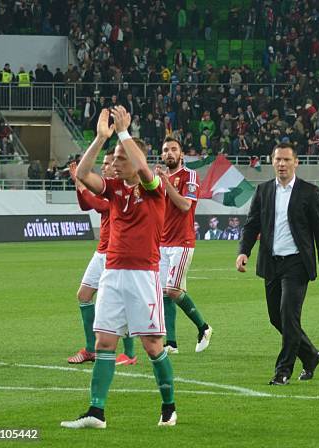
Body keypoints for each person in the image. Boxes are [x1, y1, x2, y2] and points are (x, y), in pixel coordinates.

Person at [62, 107, 176, 428]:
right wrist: (101, 138)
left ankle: (168, 406)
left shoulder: (154, 189)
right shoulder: (114, 190)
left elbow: (141, 166)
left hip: (144, 275)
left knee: (152, 346)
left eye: (120, 158)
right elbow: (84, 174)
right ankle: (96, 412)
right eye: (114, 158)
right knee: (104, 343)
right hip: (112, 273)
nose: (114, 163)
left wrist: (125, 135)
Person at [236, 142, 319, 385]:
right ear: (273, 162)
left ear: (296, 162)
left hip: (297, 264)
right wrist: (243, 252)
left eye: (286, 160)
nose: (281, 164)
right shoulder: (263, 191)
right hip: (271, 263)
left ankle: (283, 371)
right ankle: (310, 355)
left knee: (289, 316)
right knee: (276, 318)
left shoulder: (310, 193)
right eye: (278, 160)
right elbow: (252, 225)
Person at [66, 157, 137, 367]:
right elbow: (85, 205)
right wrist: (79, 186)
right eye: (104, 163)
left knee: (122, 302)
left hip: (116, 253)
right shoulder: (106, 189)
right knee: (84, 295)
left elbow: (98, 206)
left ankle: (130, 352)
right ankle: (91, 349)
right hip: (102, 252)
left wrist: (81, 183)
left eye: (107, 163)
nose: (104, 166)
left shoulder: (120, 191)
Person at [155, 137, 213, 355]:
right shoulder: (158, 180)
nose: (169, 153)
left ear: (181, 154)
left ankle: (204, 327)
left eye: (173, 149)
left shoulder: (190, 176)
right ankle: (171, 343)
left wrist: (165, 182)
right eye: (165, 150)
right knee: (163, 292)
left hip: (182, 241)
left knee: (172, 289)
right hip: (161, 242)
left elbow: (185, 205)